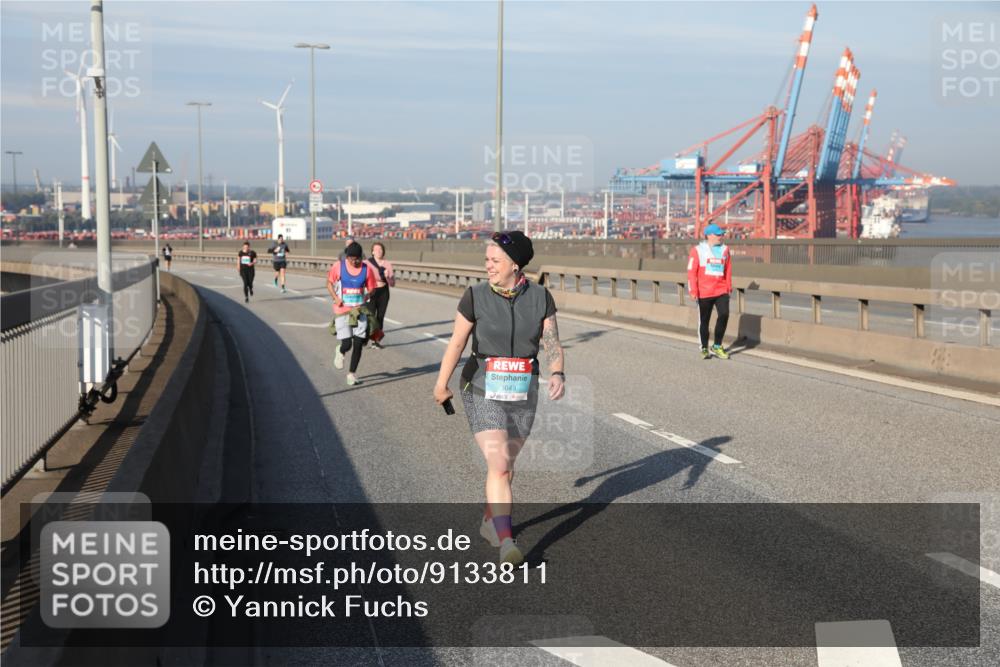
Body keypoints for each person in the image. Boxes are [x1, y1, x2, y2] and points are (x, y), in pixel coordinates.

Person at [433, 231, 565, 565]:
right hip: (480, 387)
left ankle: (491, 522)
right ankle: (507, 541)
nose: (488, 266)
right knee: (499, 464)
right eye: (487, 260)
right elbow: (457, 342)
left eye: (495, 261)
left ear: (515, 265)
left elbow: (552, 341)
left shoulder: (540, 297)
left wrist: (558, 372)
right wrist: (441, 382)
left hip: (523, 390)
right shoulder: (475, 296)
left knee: (507, 466)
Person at [327, 241, 378, 385]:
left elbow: (372, 288)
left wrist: (368, 295)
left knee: (358, 343)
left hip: (359, 309)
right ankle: (341, 350)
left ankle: (352, 374)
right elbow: (329, 283)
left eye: (357, 258)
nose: (355, 261)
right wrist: (335, 298)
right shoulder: (339, 266)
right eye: (352, 258)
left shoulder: (366, 269)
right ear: (347, 257)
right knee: (347, 343)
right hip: (342, 310)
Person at [687, 223, 732, 359]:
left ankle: (717, 346)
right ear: (709, 235)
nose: (721, 236)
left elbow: (728, 269)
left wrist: (728, 286)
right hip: (704, 292)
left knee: (724, 314)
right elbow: (691, 272)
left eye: (722, 234)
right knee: (704, 321)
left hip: (721, 290)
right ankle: (704, 347)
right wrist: (692, 290)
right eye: (718, 234)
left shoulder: (725, 249)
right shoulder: (697, 250)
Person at [366, 242, 395, 349]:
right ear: (372, 252)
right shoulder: (367, 263)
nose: (379, 251)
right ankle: (366, 336)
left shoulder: (387, 264)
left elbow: (392, 284)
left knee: (380, 317)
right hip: (372, 291)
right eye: (376, 249)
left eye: (381, 249)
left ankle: (375, 341)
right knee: (371, 316)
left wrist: (387, 277)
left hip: (384, 292)